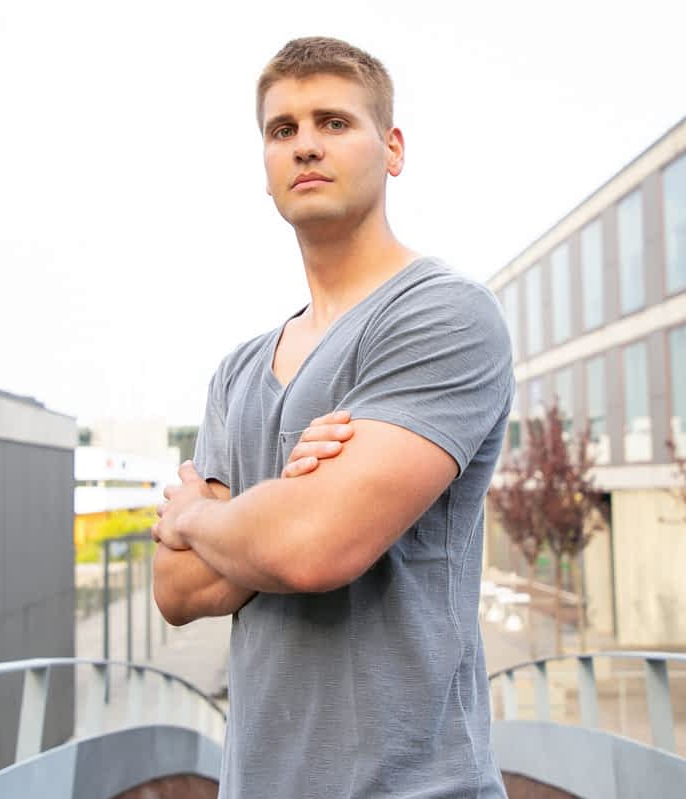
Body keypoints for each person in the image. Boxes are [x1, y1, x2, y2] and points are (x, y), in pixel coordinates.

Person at [152, 36, 513, 799]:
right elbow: (176, 590)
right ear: (265, 166)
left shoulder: (444, 313)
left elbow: (314, 549)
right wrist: (286, 500)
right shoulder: (237, 371)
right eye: (281, 129)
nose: (305, 145)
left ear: (392, 148)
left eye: (333, 122)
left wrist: (201, 516)